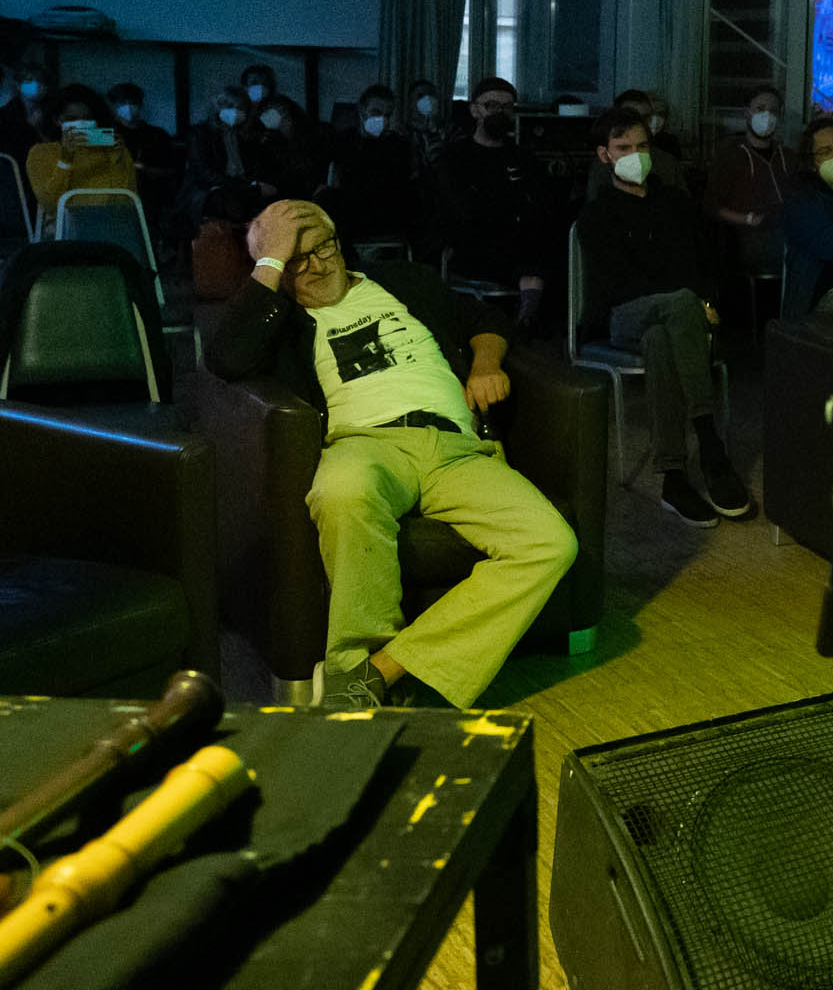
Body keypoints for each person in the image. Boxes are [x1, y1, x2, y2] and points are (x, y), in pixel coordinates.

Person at [204, 200, 576, 710]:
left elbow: (484, 317)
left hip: (457, 449)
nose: (316, 266)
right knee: (342, 492)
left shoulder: (404, 281)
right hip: (365, 445)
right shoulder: (280, 320)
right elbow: (226, 359)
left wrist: (485, 365)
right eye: (295, 260)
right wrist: (270, 262)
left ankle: (377, 673)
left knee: (551, 542)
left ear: (339, 243)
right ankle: (353, 661)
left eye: (323, 249)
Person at [575, 107, 751, 527]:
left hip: (670, 321)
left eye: (642, 146)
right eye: (624, 148)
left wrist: (703, 299)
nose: (636, 155)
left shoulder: (676, 203)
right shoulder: (597, 214)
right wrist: (688, 300)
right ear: (604, 155)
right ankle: (710, 444)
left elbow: (704, 262)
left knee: (660, 339)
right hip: (621, 316)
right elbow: (614, 286)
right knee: (679, 303)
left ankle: (673, 476)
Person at [435, 77, 553, 329]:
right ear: (474, 110)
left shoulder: (523, 157)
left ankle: (527, 319)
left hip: (519, 240)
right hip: (473, 243)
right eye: (491, 106)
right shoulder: (454, 157)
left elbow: (539, 204)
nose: (500, 113)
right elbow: (458, 210)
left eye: (507, 107)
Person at [705, 85, 793, 285]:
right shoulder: (731, 156)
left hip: (785, 234)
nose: (767, 116)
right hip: (747, 240)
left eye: (773, 110)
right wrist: (749, 219)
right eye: (760, 109)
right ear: (747, 112)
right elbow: (711, 206)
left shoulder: (787, 157)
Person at [25, 84, 137, 236]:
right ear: (57, 120)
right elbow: (50, 205)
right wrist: (65, 160)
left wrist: (118, 161)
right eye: (71, 119)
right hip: (66, 230)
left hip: (111, 228)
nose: (80, 124)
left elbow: (127, 203)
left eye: (87, 118)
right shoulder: (42, 153)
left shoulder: (113, 150)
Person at [782, 116, 833, 319]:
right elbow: (830, 243)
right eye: (825, 152)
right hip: (821, 299)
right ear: (812, 163)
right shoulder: (802, 198)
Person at [324, 84, 419, 244]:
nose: (382, 119)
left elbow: (398, 187)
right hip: (349, 210)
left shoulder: (397, 145)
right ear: (362, 111)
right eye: (376, 112)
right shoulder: (344, 140)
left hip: (384, 211)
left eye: (387, 114)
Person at [179, 85, 277, 230]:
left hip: (236, 187)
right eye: (232, 107)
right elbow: (205, 174)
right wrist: (248, 186)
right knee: (230, 200)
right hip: (206, 191)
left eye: (242, 109)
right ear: (219, 108)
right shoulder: (199, 134)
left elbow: (249, 168)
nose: (238, 113)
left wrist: (256, 184)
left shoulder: (239, 136)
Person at [581, 88, 684, 200]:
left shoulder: (668, 163)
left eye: (645, 118)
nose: (638, 125)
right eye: (629, 119)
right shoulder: (602, 166)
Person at [107, 82, 182, 234]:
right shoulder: (106, 135)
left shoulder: (156, 135)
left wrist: (146, 169)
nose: (128, 107)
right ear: (113, 106)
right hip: (114, 193)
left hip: (150, 195)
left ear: (140, 105)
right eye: (122, 103)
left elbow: (172, 170)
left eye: (132, 102)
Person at [0, 62, 51, 167]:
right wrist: (31, 128)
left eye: (41, 80)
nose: (37, 84)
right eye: (29, 80)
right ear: (18, 85)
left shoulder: (53, 108)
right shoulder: (6, 114)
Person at [408, 81, 451, 169]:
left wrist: (433, 130)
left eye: (431, 95)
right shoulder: (404, 132)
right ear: (411, 102)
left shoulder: (450, 129)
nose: (427, 99)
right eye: (420, 96)